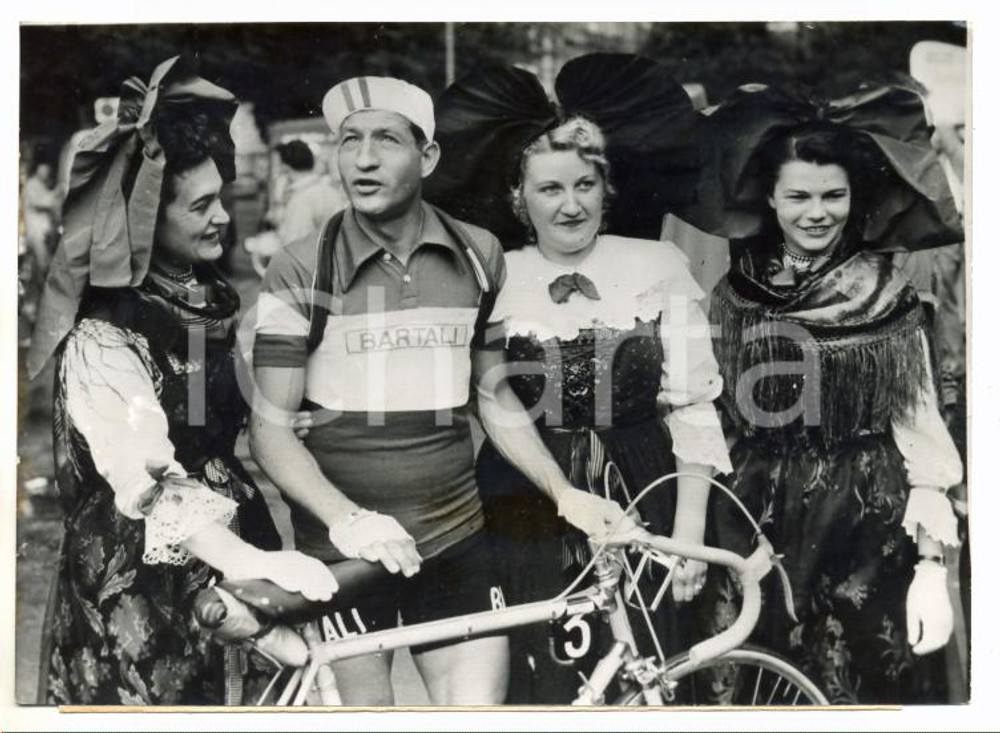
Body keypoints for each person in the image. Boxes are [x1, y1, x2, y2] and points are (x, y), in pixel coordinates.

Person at [249, 75, 634, 706]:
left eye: (386, 140)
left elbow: (493, 396)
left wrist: (564, 493)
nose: (363, 159)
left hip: (457, 544)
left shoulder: (478, 254)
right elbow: (267, 428)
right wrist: (349, 521)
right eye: (349, 141)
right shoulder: (299, 266)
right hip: (345, 561)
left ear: (427, 156)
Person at [28, 56, 337, 706]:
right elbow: (152, 481)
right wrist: (248, 560)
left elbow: (210, 410)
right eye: (201, 204)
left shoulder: (202, 300)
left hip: (226, 544)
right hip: (143, 573)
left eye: (222, 195)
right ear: (146, 220)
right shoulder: (102, 337)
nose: (223, 215)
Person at [429, 56, 732, 703]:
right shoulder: (495, 275)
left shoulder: (656, 264)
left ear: (608, 188)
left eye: (585, 185)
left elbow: (694, 405)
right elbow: (489, 395)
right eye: (549, 189)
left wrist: (686, 536)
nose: (571, 205)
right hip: (526, 494)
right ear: (518, 197)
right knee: (545, 669)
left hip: (647, 482)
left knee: (651, 664)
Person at [688, 84, 965, 704]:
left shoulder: (887, 292)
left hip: (862, 515)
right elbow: (712, 413)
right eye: (799, 196)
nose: (817, 212)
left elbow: (920, 428)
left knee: (854, 687)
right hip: (754, 512)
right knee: (750, 685)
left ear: (854, 196)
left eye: (833, 195)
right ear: (770, 198)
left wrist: (929, 565)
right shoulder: (737, 292)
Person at [272, 139, 347, 245]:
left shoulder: (301, 199)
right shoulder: (331, 191)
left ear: (286, 166)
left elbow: (294, 247)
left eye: (278, 164)